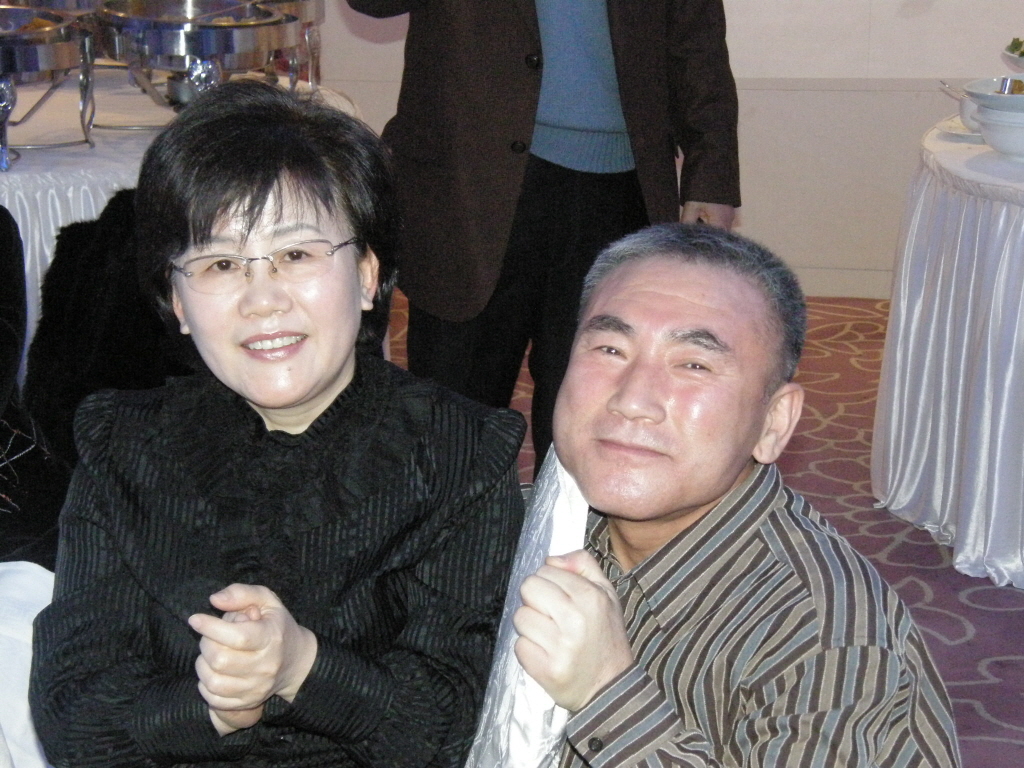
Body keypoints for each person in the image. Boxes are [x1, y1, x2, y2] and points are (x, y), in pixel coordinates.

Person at [29, 80, 526, 768]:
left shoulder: (462, 455)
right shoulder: (123, 445)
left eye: (296, 254)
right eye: (221, 263)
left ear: (367, 274)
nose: (262, 300)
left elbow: (451, 727)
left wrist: (303, 668)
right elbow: (72, 717)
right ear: (177, 301)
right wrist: (212, 709)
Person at [472, 224, 961, 766]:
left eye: (694, 365)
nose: (633, 399)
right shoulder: (523, 522)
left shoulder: (826, 635)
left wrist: (605, 693)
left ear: (773, 422)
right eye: (610, 348)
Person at [346, 0, 741, 471]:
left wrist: (710, 172)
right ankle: (455, 520)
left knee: (590, 417)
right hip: (465, 184)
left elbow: (697, 37)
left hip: (620, 189)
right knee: (455, 417)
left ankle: (572, 522)